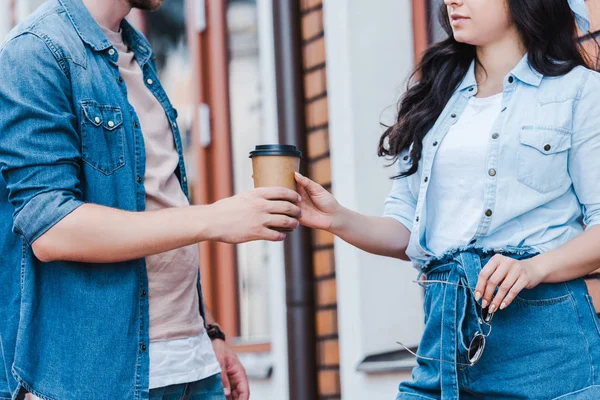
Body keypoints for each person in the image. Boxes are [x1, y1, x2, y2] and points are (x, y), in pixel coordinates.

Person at [295, 0, 600, 398]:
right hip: (444, 330)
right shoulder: (436, 98)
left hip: (543, 344)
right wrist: (335, 218)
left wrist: (534, 269)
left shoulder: (579, 91)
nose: (451, 0)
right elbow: (407, 230)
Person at [0, 0, 301, 399]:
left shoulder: (136, 49)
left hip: (193, 364)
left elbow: (160, 202)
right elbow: (52, 229)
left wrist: (207, 328)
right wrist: (212, 219)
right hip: (100, 379)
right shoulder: (35, 50)